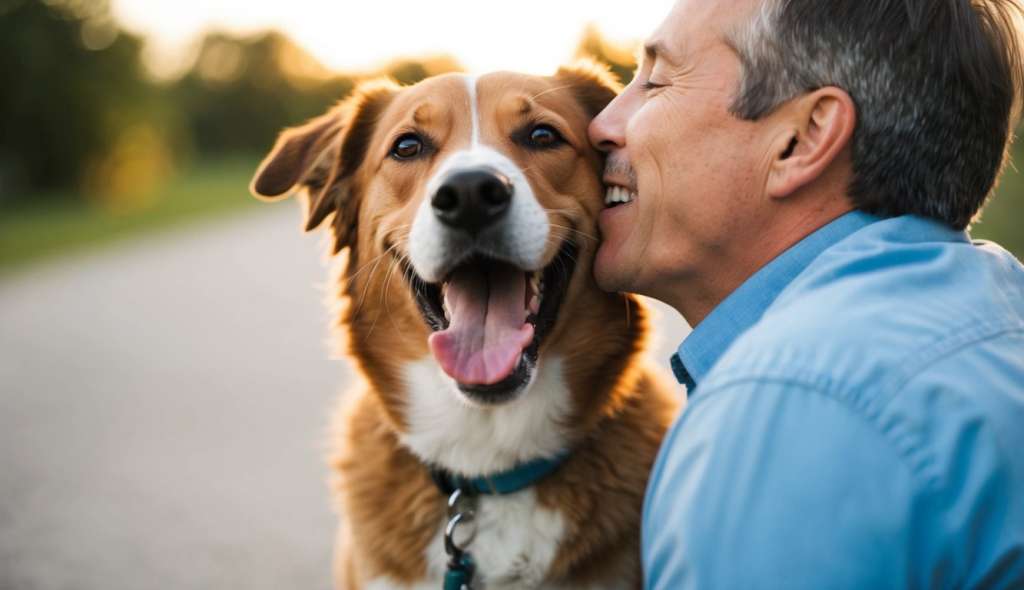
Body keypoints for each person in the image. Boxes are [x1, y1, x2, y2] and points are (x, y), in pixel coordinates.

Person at [587, 0, 1024, 588]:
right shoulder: (1000, 308)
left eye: (657, 80)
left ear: (803, 139)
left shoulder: (793, 400)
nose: (601, 125)